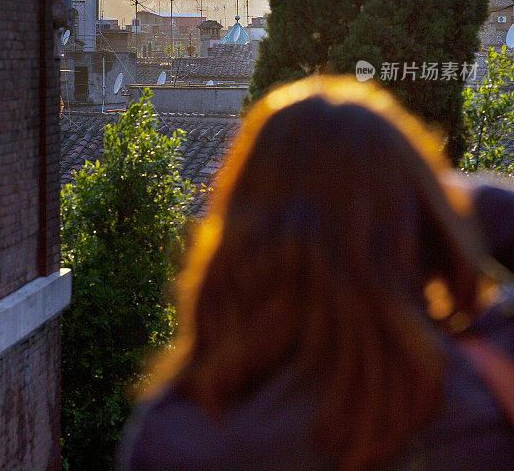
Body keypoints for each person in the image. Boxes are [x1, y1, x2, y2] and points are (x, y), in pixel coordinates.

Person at [118, 75, 514, 471]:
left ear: (239, 241)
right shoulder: (481, 401)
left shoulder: (178, 437)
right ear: (417, 228)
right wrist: (440, 196)